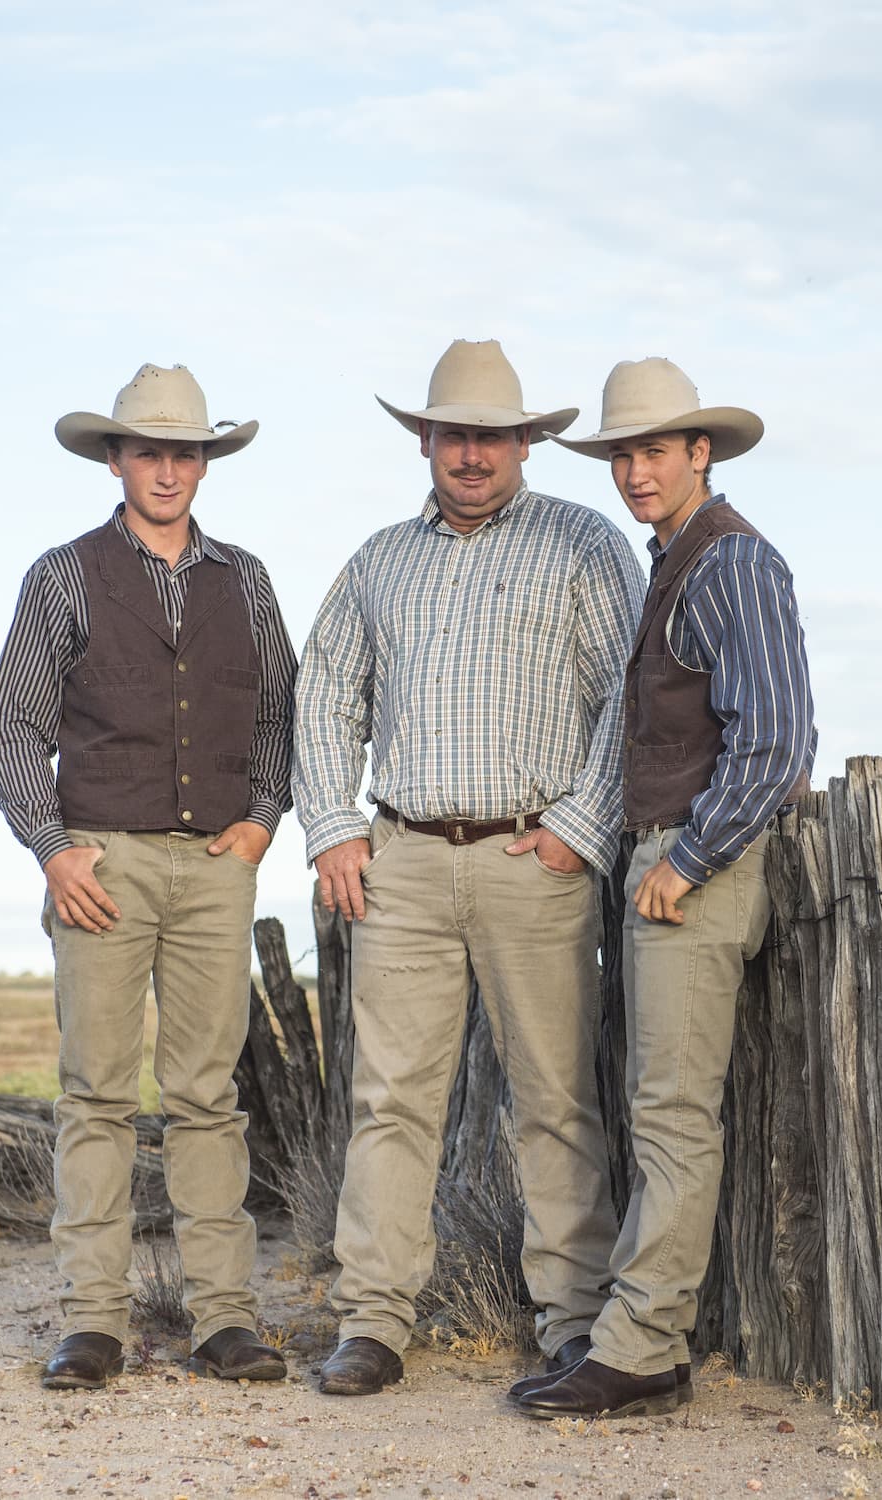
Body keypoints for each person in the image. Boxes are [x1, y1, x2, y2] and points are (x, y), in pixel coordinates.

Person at [292, 338, 646, 1396]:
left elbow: (631, 695)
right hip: (402, 858)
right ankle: (374, 1323)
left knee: (553, 1098)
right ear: (425, 440)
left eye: (494, 434)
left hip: (532, 858)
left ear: (527, 443)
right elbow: (324, 696)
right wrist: (332, 826)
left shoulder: (585, 546)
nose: (474, 453)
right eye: (455, 434)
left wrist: (582, 826)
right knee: (391, 1098)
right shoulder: (377, 562)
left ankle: (574, 1320)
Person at [514, 356, 816, 1419]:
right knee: (658, 1111)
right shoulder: (675, 559)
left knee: (674, 1116)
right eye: (623, 453)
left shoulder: (729, 563)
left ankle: (641, 1347)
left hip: (698, 866)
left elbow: (776, 738)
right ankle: (638, 1337)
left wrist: (687, 859)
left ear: (701, 452)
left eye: (655, 450)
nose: (636, 470)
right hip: (669, 861)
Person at [0, 363, 297, 1391]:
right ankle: (92, 1323)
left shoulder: (244, 580)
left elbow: (275, 720)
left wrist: (261, 822)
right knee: (96, 1096)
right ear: (116, 459)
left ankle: (225, 1319)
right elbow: (15, 726)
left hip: (216, 866)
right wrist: (53, 844)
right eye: (149, 451)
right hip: (101, 865)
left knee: (210, 1095)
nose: (169, 470)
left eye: (186, 452)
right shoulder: (63, 574)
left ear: (205, 462)